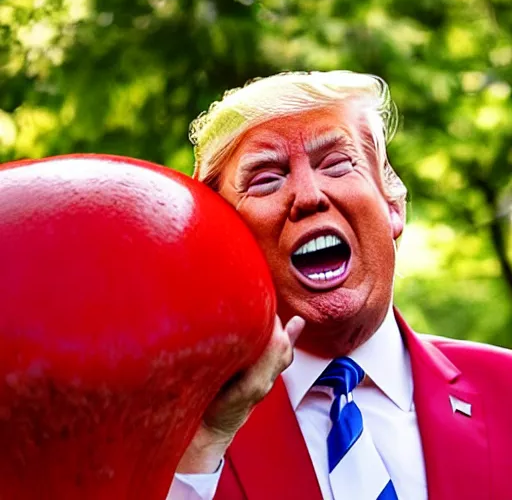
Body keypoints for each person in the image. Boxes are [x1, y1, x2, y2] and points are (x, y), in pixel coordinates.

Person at [168, 71, 512, 499]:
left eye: (335, 163)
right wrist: (204, 444)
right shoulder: (181, 433)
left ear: (393, 206)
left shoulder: (507, 390)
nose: (309, 195)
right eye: (267, 178)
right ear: (225, 242)